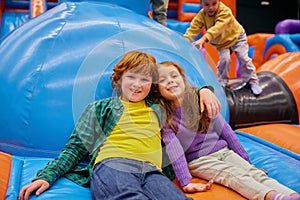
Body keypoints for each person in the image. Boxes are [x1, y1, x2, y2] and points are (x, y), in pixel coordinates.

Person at [18, 51, 219, 200]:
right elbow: (75, 148)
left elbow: (179, 91)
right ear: (119, 78)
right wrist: (46, 176)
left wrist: (205, 90)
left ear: (152, 85)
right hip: (113, 165)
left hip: (152, 172)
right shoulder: (101, 108)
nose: (137, 85)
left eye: (145, 79)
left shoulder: (159, 108)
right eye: (131, 77)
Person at [157, 61, 300, 199]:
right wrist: (185, 182)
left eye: (174, 76)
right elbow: (174, 150)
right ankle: (273, 197)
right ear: (157, 89)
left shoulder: (202, 102)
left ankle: (292, 195)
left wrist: (247, 162)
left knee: (254, 173)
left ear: (183, 79)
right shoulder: (167, 117)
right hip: (199, 160)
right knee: (233, 175)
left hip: (223, 152)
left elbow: (226, 132)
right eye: (163, 80)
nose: (170, 81)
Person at [183, 0, 263, 95]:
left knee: (243, 58)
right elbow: (193, 29)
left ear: (219, 2)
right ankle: (222, 82)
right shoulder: (201, 16)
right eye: (207, 5)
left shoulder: (225, 11)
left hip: (236, 37)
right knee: (224, 60)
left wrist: (204, 38)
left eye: (214, 4)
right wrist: (184, 41)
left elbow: (218, 27)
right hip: (222, 43)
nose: (211, 8)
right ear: (202, 4)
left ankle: (252, 81)